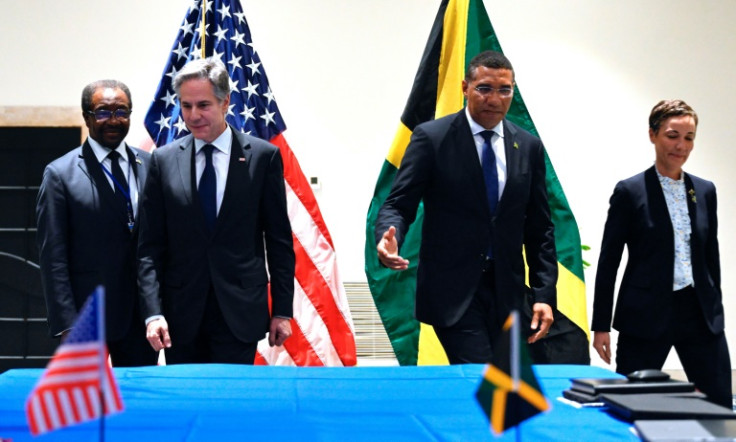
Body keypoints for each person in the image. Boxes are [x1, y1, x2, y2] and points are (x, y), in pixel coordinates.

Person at [375, 50, 557, 364]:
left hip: (507, 293)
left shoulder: (528, 146)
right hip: (453, 291)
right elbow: (398, 203)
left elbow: (540, 228)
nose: (495, 98)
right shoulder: (432, 138)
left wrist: (543, 295)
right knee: (479, 374)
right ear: (465, 88)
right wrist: (389, 237)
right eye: (484, 88)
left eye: (504, 90)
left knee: (504, 387)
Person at [137, 57, 295, 364]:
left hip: (240, 312)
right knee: (187, 404)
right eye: (186, 106)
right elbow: (149, 247)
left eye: (203, 105)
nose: (193, 115)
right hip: (181, 315)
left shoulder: (263, 158)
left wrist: (282, 312)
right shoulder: (163, 161)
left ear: (226, 103)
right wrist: (152, 313)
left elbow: (278, 241)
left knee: (234, 404)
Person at [592, 99, 732, 408]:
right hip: (646, 314)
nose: (681, 145)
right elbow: (609, 261)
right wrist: (601, 325)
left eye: (689, 137)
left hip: (699, 313)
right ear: (653, 135)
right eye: (672, 135)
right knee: (632, 403)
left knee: (720, 402)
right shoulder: (630, 191)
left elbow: (711, 257)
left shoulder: (705, 190)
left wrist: (716, 309)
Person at [36, 79, 156, 366]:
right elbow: (53, 256)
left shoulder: (150, 165)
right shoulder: (60, 174)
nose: (113, 120)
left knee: (138, 403)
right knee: (89, 407)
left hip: (141, 317)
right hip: (86, 318)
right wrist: (66, 323)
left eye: (122, 111)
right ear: (86, 116)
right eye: (103, 112)